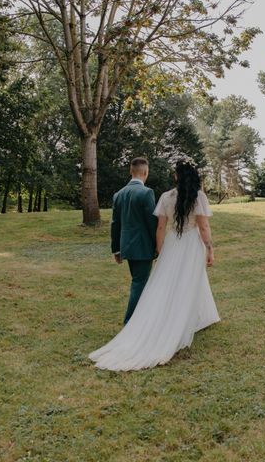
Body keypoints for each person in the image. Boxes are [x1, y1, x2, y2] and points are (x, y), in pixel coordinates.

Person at [89, 159, 220, 371]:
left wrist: (161, 250)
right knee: (189, 281)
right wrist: (210, 249)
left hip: (171, 245)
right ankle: (180, 321)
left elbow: (160, 227)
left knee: (167, 283)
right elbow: (203, 227)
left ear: (177, 176)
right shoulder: (199, 196)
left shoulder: (166, 197)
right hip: (191, 245)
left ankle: (202, 316)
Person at [110, 157, 158, 324]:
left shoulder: (118, 194)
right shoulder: (146, 193)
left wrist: (116, 249)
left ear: (131, 171)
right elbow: (152, 223)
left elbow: (115, 224)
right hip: (143, 247)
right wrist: (158, 246)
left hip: (127, 247)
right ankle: (130, 322)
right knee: (139, 283)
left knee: (138, 281)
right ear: (145, 172)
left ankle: (141, 318)